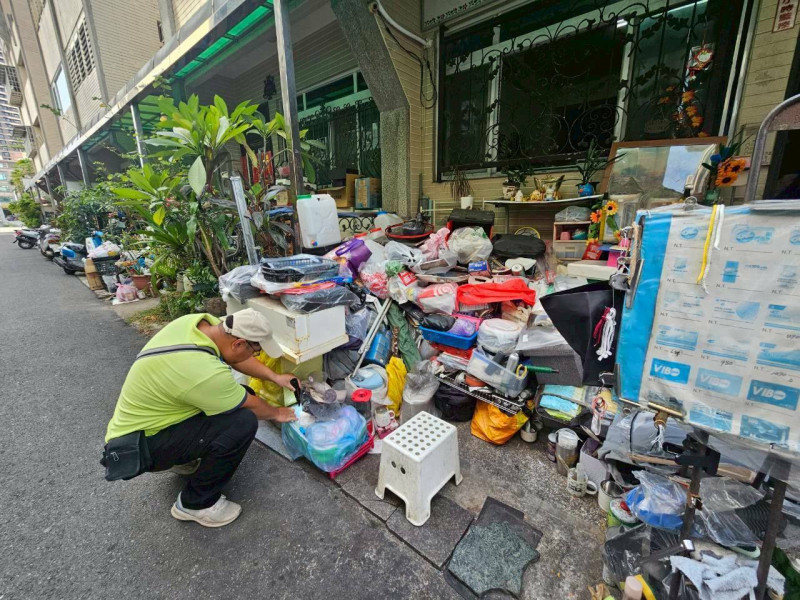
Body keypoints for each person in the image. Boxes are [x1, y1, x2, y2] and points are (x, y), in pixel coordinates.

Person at [104, 309, 298, 528]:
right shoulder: (203, 372)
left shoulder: (199, 324)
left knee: (239, 397)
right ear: (239, 343)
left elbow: (235, 360)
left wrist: (275, 376)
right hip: (139, 446)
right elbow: (250, 406)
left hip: (148, 427)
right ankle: (195, 503)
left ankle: (184, 459)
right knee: (242, 421)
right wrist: (277, 413)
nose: (255, 356)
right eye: (255, 351)